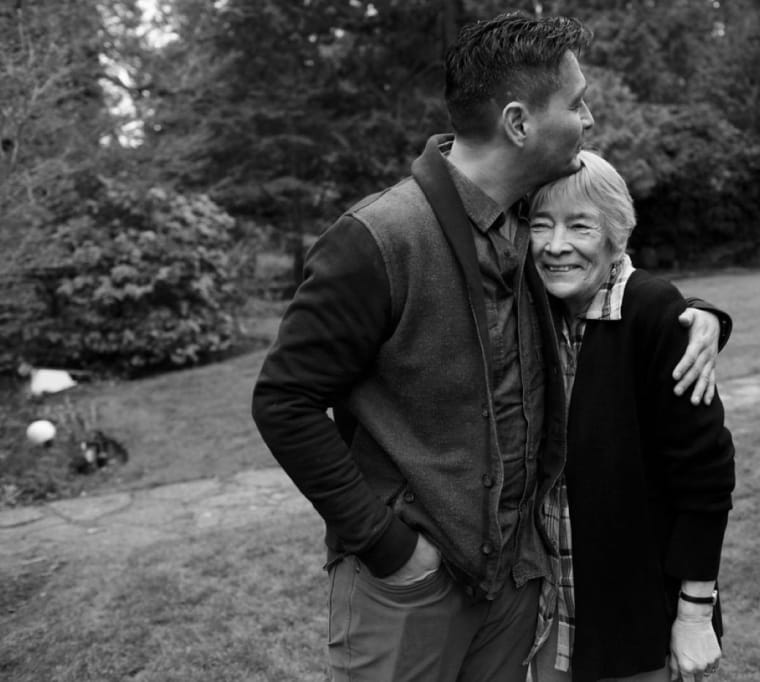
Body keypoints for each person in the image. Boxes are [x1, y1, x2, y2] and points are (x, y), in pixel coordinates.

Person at [251, 12, 731, 682]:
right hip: (410, 589)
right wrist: (389, 548)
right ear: (518, 122)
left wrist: (701, 316)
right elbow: (284, 401)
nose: (589, 118)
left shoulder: (526, 221)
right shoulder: (377, 239)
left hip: (513, 585)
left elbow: (611, 268)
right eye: (577, 102)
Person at [526, 151, 736, 682]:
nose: (556, 246)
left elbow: (706, 478)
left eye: (580, 226)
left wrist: (693, 613)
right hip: (546, 618)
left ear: (616, 234)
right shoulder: (535, 313)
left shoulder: (655, 314)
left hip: (635, 621)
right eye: (540, 225)